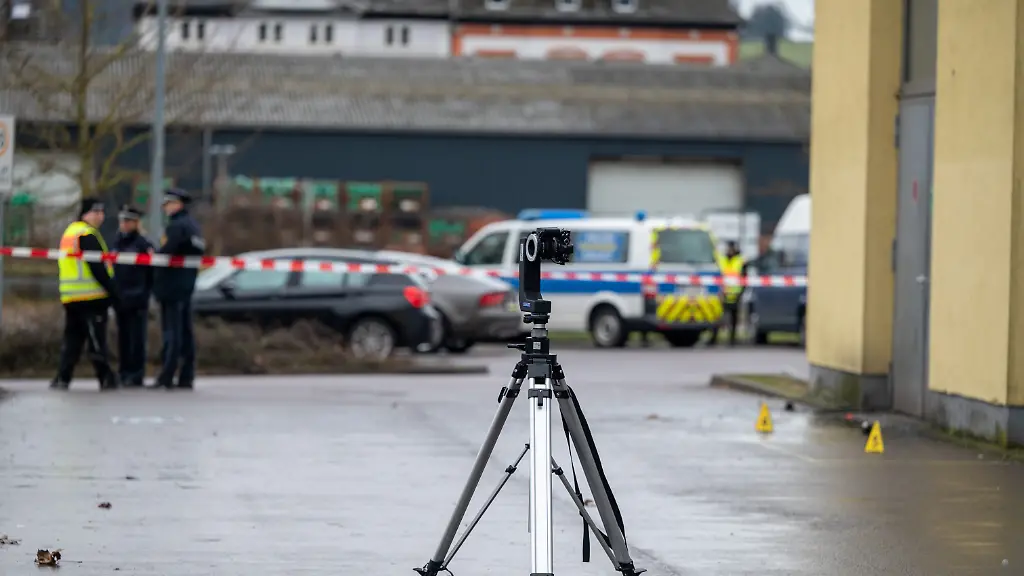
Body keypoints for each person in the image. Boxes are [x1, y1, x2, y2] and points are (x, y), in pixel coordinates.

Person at [52, 198, 120, 391]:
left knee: (72, 341)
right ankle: (106, 378)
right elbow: (98, 269)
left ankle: (62, 378)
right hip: (91, 298)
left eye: (102, 212)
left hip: (71, 298)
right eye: (95, 212)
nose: (100, 216)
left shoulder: (70, 233)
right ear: (85, 214)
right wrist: (114, 293)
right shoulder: (86, 234)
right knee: (96, 341)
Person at [150, 188, 205, 390]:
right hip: (186, 285)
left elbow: (167, 253)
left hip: (171, 286)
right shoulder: (193, 226)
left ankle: (167, 375)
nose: (165, 208)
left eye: (168, 204)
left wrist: (153, 255)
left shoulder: (176, 226)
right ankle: (186, 376)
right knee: (185, 332)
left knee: (171, 333)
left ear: (177, 204)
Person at [113, 205, 154, 388]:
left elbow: (152, 272)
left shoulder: (144, 244)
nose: (124, 224)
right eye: (122, 221)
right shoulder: (117, 242)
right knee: (123, 338)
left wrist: (145, 293)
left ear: (136, 223)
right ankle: (123, 372)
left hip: (138, 297)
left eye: (128, 221)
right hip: (121, 297)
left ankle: (136, 374)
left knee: (137, 339)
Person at [714, 241, 745, 346]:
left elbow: (744, 279)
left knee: (734, 319)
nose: (730, 250)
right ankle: (714, 338)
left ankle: (732, 339)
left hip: (735, 294)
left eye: (731, 248)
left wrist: (741, 293)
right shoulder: (722, 260)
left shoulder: (740, 261)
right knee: (718, 317)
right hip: (723, 294)